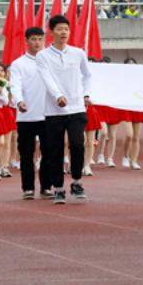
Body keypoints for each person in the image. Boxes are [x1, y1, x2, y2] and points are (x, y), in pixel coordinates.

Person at [36, 15, 92, 204]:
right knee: (54, 150)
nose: (63, 32)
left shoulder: (78, 53)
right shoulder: (43, 56)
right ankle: (58, 188)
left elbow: (88, 75)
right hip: (54, 110)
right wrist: (57, 95)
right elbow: (46, 78)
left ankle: (76, 181)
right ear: (51, 32)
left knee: (77, 144)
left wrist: (86, 94)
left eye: (66, 29)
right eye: (59, 29)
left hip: (76, 108)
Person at [10, 27, 53, 200]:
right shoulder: (18, 64)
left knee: (49, 153)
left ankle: (46, 187)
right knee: (26, 154)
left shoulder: (50, 61)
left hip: (48, 115)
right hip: (26, 115)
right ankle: (28, 188)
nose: (37, 43)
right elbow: (15, 85)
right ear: (26, 41)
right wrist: (19, 101)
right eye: (34, 39)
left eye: (40, 39)